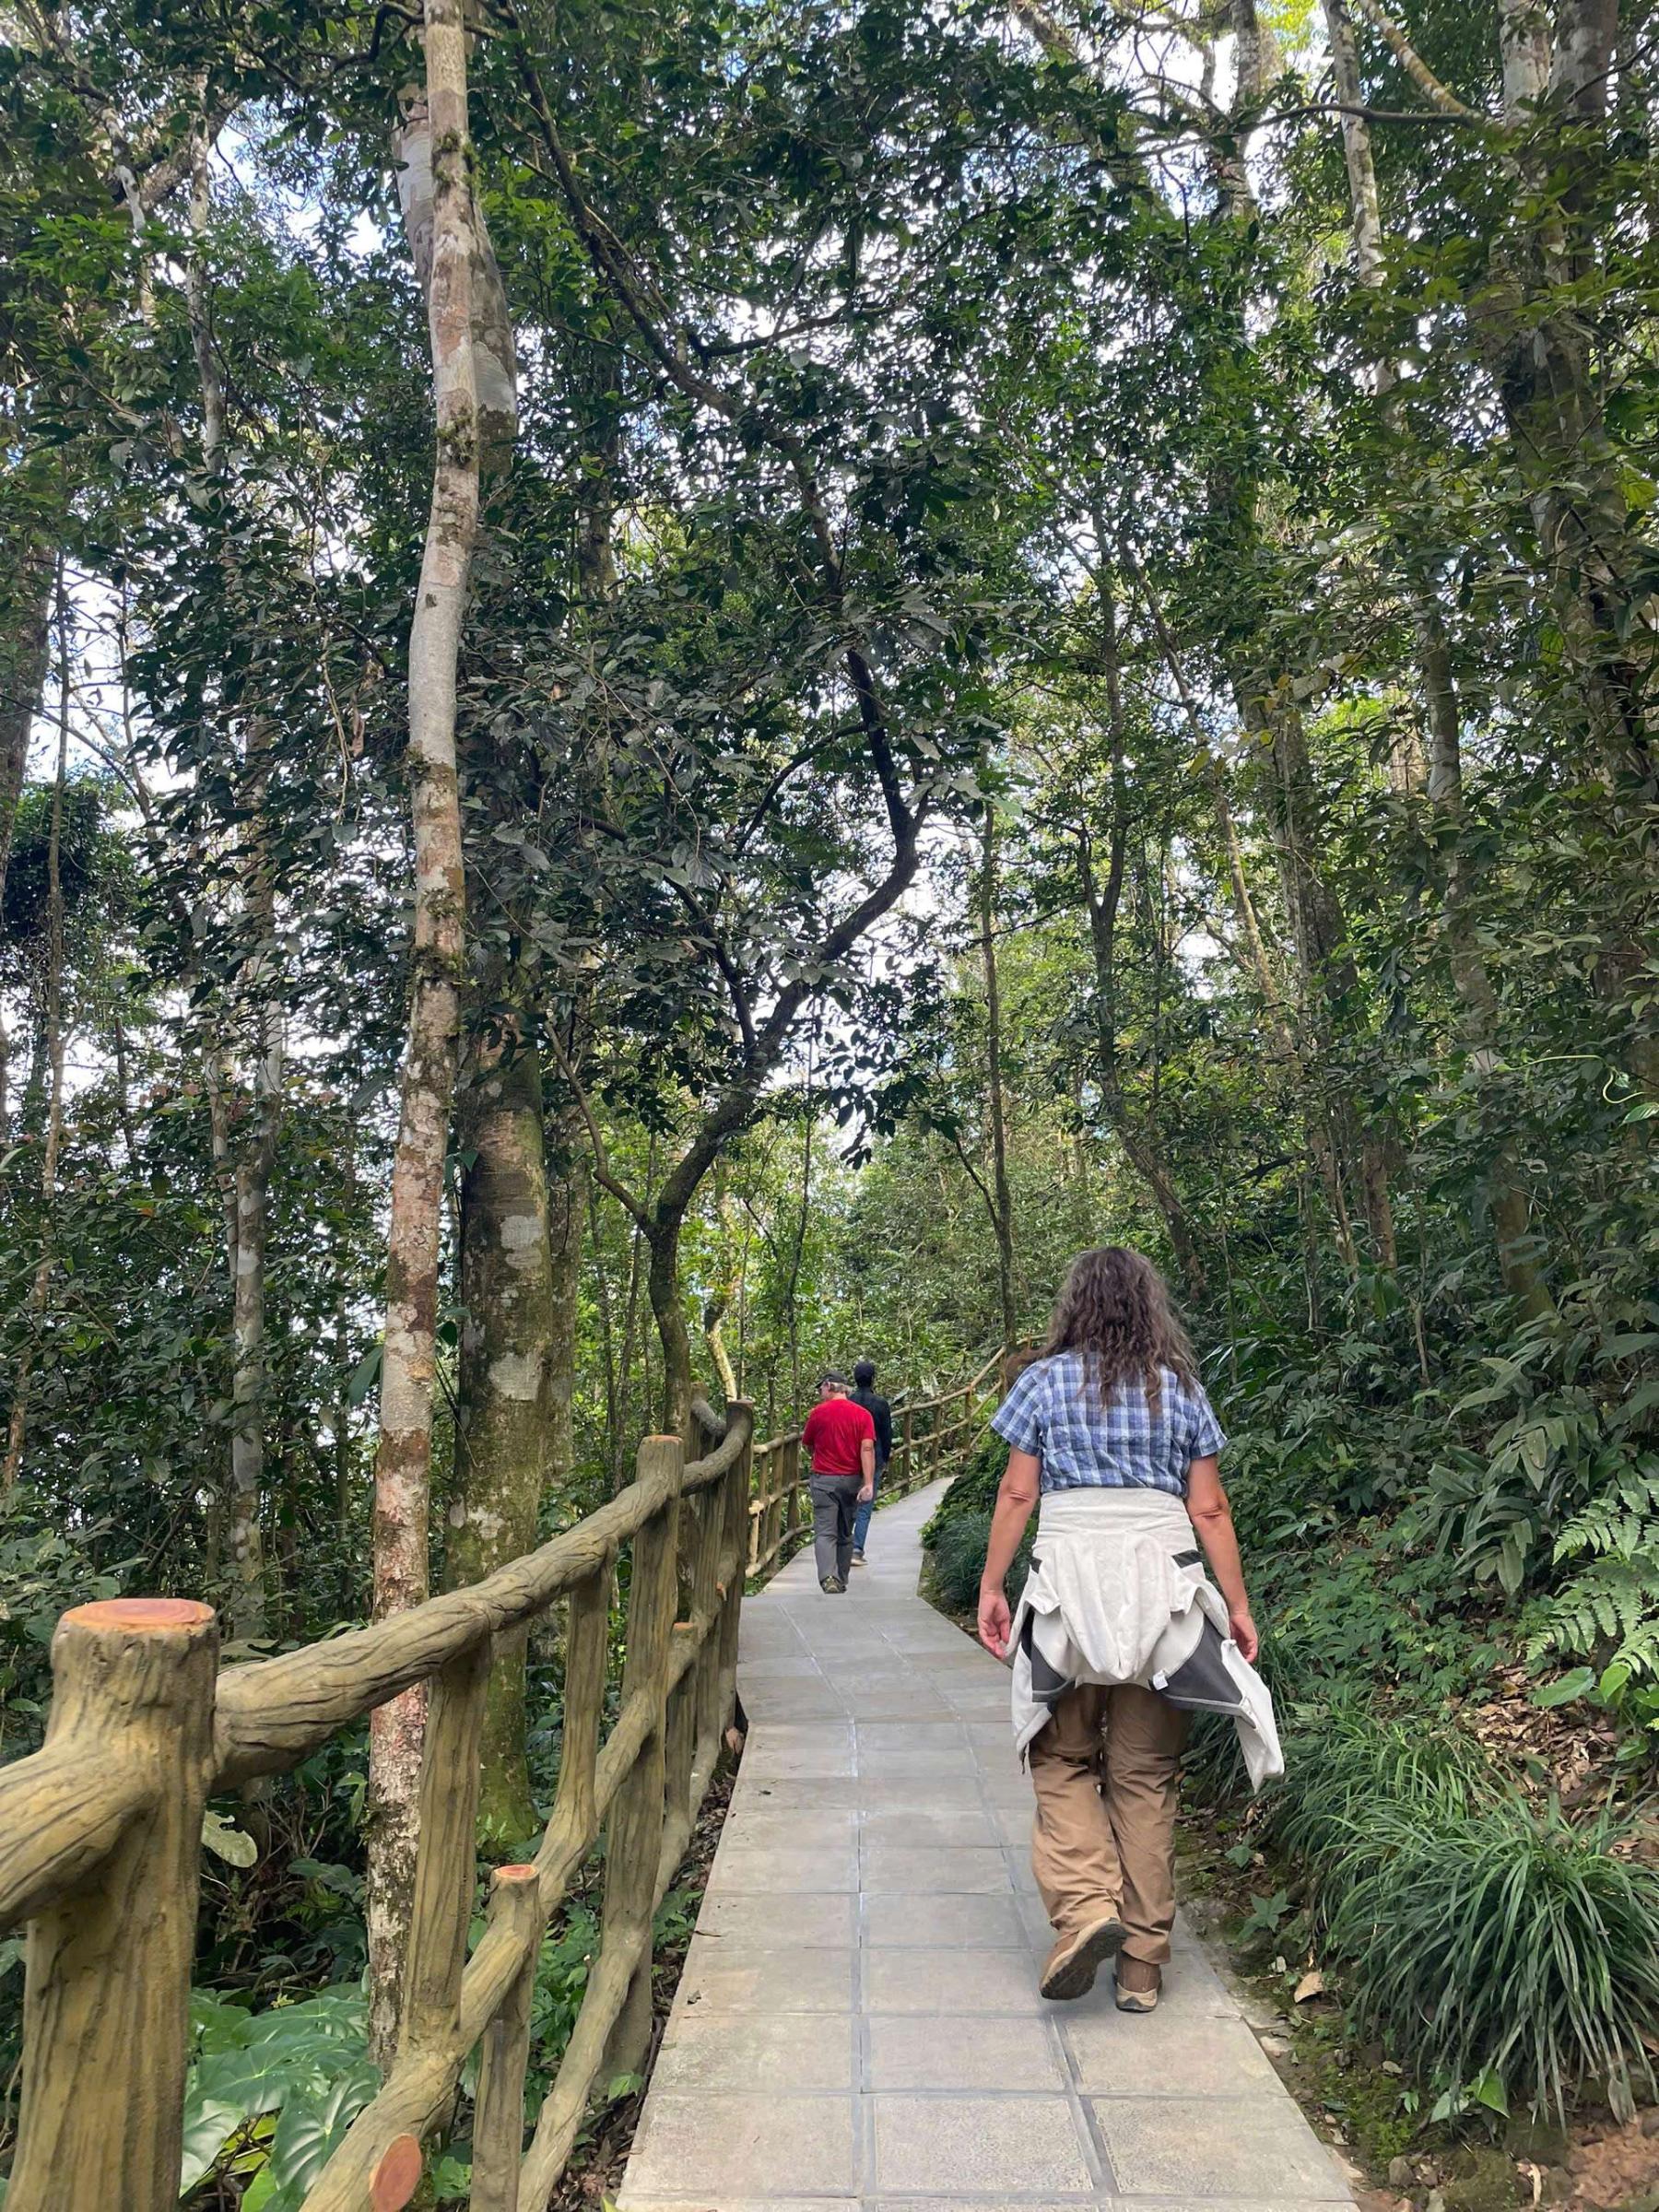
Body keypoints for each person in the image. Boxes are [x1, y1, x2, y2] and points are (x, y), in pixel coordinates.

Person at [976, 1247, 1275, 2014]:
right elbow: (1209, 1508)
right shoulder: (1180, 1389)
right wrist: (1237, 1605)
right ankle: (1141, 1969)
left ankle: (1085, 1910)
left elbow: (1018, 1493)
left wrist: (993, 1585)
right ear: (1150, 1306)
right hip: (1161, 1593)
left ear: (1073, 1306)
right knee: (1145, 1776)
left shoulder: (1042, 1383)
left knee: (1061, 1755)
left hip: (1068, 1590)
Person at [801, 1371, 876, 1593]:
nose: (820, 1392)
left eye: (821, 1388)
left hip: (824, 1480)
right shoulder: (863, 1415)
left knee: (825, 1532)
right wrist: (868, 1483)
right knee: (845, 1532)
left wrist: (819, 1455)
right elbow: (867, 1448)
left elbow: (808, 1444)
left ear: (829, 1386)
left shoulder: (818, 1413)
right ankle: (841, 1578)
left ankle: (828, 1578)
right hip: (852, 1481)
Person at [847, 1359, 892, 1566]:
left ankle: (843, 1546)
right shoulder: (881, 1404)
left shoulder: (849, 1402)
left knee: (849, 1504)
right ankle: (856, 1550)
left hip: (850, 1458)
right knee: (865, 1505)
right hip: (874, 1456)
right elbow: (886, 1434)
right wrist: (886, 1458)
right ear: (873, 1378)